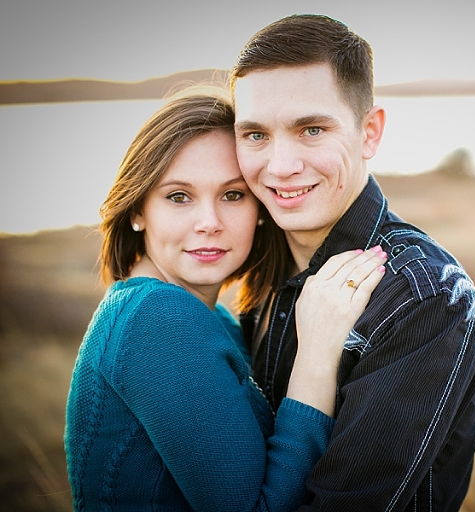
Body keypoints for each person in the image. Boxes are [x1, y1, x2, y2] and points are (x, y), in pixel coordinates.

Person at [63, 86, 387, 512]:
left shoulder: (211, 317)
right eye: (178, 196)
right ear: (138, 210)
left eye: (233, 195)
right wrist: (317, 354)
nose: (209, 223)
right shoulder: (156, 318)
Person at [230, 14, 475, 511]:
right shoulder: (262, 258)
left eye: (311, 129)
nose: (281, 166)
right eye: (255, 135)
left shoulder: (423, 300)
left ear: (369, 132)